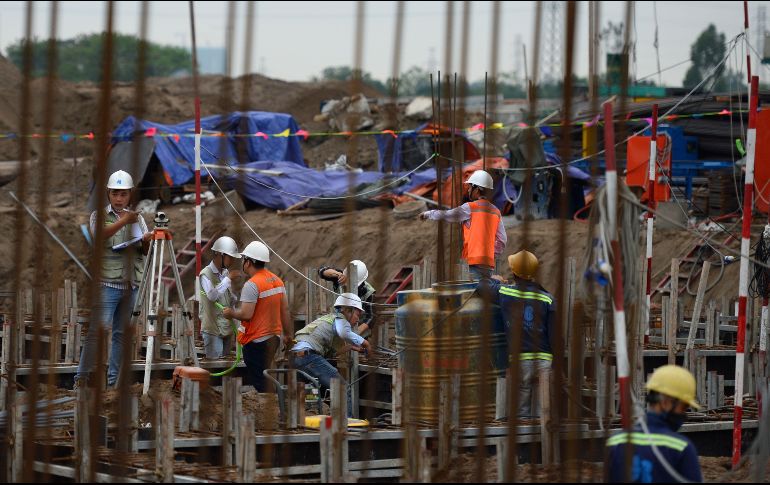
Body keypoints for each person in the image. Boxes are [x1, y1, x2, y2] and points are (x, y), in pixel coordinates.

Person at [74, 170, 154, 389]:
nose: (119, 199)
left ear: (130, 195)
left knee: (120, 336)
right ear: (108, 194)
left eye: (124, 195)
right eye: (115, 194)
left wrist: (147, 239)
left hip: (131, 285)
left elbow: (145, 251)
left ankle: (112, 383)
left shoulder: (137, 219)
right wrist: (123, 222)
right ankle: (81, 378)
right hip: (108, 284)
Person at [480, 250, 555, 418]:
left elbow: (481, 288)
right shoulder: (547, 298)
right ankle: (542, 440)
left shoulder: (506, 293)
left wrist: (494, 280)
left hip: (521, 360)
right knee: (542, 409)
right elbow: (554, 335)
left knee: (521, 408)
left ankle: (524, 442)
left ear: (514, 272)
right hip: (544, 360)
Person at [606, 365, 703, 483]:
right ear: (665, 402)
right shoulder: (681, 448)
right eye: (684, 407)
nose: (684, 413)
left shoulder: (615, 442)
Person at [223, 241, 292, 392]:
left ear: (248, 262)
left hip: (256, 342)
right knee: (266, 376)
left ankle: (273, 410)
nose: (243, 263)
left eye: (244, 259)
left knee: (261, 382)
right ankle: (274, 405)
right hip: (273, 338)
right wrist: (287, 335)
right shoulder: (277, 280)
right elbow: (285, 310)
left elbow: (246, 314)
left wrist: (231, 313)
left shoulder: (252, 284)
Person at [289, 293, 371, 417]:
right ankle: (345, 426)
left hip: (298, 356)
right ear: (348, 310)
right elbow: (344, 333)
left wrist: (350, 347)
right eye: (357, 314)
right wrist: (365, 342)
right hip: (308, 356)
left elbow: (329, 353)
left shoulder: (329, 319)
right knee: (342, 388)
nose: (358, 319)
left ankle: (305, 421)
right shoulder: (340, 319)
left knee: (310, 392)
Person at [419, 169, 507, 280]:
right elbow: (502, 240)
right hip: (488, 265)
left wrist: (428, 214)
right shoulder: (496, 211)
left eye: (470, 187)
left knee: (470, 294)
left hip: (473, 263)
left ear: (477, 189)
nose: (468, 190)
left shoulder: (470, 207)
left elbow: (448, 215)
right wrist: (490, 253)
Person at [199, 236, 241, 359]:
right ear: (220, 254)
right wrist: (228, 279)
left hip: (226, 328)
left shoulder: (225, 273)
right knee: (217, 367)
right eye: (230, 257)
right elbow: (212, 296)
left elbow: (227, 297)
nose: (232, 261)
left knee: (225, 370)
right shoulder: (205, 274)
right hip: (212, 330)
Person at [318, 260, 376, 333]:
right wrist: (338, 274)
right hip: (335, 325)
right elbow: (321, 271)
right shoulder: (339, 277)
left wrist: (355, 333)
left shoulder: (369, 292)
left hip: (357, 328)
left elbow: (371, 317)